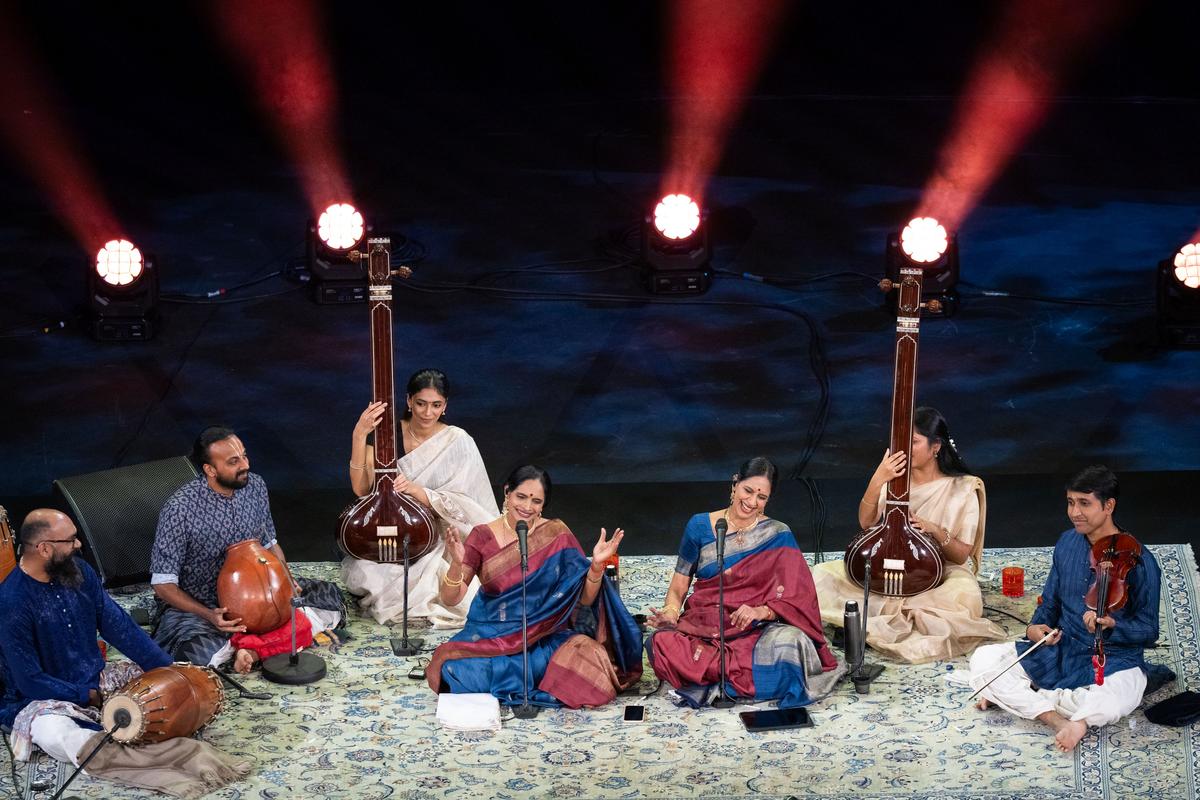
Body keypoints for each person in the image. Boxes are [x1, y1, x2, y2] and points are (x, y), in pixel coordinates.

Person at [0, 510, 249, 795]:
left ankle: (132, 730)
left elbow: (121, 628)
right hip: (42, 698)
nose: (79, 545)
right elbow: (28, 680)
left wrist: (170, 670)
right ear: (44, 549)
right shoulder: (12, 602)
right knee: (52, 733)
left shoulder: (79, 572)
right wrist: (85, 696)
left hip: (96, 678)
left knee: (164, 685)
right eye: (70, 540)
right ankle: (163, 767)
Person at [968, 466, 1168, 752]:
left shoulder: (1141, 561)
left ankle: (1032, 702)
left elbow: (1149, 632)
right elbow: (1050, 603)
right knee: (984, 660)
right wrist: (1035, 629)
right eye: (1071, 502)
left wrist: (1113, 626)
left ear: (1108, 505)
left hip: (1111, 660)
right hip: (1061, 650)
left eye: (1084, 503)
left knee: (1120, 693)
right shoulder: (1066, 543)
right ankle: (1060, 720)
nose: (1075, 512)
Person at [426, 465, 642, 708]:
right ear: (507, 492)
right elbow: (451, 598)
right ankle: (542, 682)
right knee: (452, 669)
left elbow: (585, 601)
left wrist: (595, 568)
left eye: (536, 501)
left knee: (591, 659)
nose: (527, 507)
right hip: (492, 635)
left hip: (546, 635)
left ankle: (523, 679)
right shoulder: (482, 536)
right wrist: (456, 564)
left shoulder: (556, 534)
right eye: (521, 497)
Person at [646, 457, 844, 708]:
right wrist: (671, 613)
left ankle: (709, 682)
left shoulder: (778, 534)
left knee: (792, 644)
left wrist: (761, 611)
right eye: (748, 491)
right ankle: (737, 677)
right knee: (660, 642)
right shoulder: (699, 526)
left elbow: (799, 596)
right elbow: (678, 587)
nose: (751, 502)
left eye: (761, 498)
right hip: (705, 627)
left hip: (755, 630)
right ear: (735, 484)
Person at [812, 407, 1006, 662]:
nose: (905, 448)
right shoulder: (895, 480)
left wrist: (934, 529)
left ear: (936, 446)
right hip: (888, 566)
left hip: (938, 573)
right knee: (820, 576)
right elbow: (866, 522)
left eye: (913, 442)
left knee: (964, 595)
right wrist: (877, 480)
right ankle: (885, 620)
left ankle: (876, 623)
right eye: (901, 442)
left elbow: (960, 556)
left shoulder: (962, 488)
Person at [151, 426, 344, 673]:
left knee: (330, 598)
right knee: (194, 653)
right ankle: (267, 643)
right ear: (210, 470)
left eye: (244, 455)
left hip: (262, 593)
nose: (245, 465)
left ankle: (250, 650)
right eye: (233, 461)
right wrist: (211, 616)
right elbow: (162, 584)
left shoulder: (255, 487)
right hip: (207, 604)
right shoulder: (179, 509)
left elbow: (270, 544)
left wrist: (287, 580)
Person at [342, 368, 499, 626]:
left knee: (461, 593)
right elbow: (361, 489)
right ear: (408, 401)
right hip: (397, 531)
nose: (428, 413)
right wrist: (359, 435)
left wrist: (419, 491)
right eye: (421, 404)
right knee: (368, 573)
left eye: (436, 405)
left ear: (445, 405)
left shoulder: (457, 440)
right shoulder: (387, 436)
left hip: (440, 534)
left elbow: (469, 504)